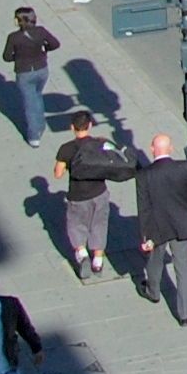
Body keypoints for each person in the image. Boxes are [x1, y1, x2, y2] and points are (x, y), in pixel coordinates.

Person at [53, 111, 133, 282]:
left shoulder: (66, 148)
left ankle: (82, 254)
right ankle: (98, 260)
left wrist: (68, 166)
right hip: (99, 192)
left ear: (72, 128)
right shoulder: (100, 143)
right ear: (90, 126)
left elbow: (57, 174)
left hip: (77, 194)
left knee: (76, 224)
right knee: (99, 224)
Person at [133, 131, 187, 324]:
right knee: (184, 267)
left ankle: (153, 291)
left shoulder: (144, 175)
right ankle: (185, 314)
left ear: (152, 150)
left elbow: (143, 207)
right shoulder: (186, 168)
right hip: (183, 223)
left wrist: (145, 236)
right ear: (171, 149)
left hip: (157, 227)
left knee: (155, 261)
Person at [1, 6, 61, 147]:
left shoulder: (14, 37)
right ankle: (41, 124)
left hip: (24, 72)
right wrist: (45, 49)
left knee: (29, 103)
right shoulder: (41, 32)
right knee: (38, 95)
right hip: (42, 70)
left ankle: (34, 136)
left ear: (19, 21)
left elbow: (6, 57)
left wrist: (17, 56)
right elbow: (55, 44)